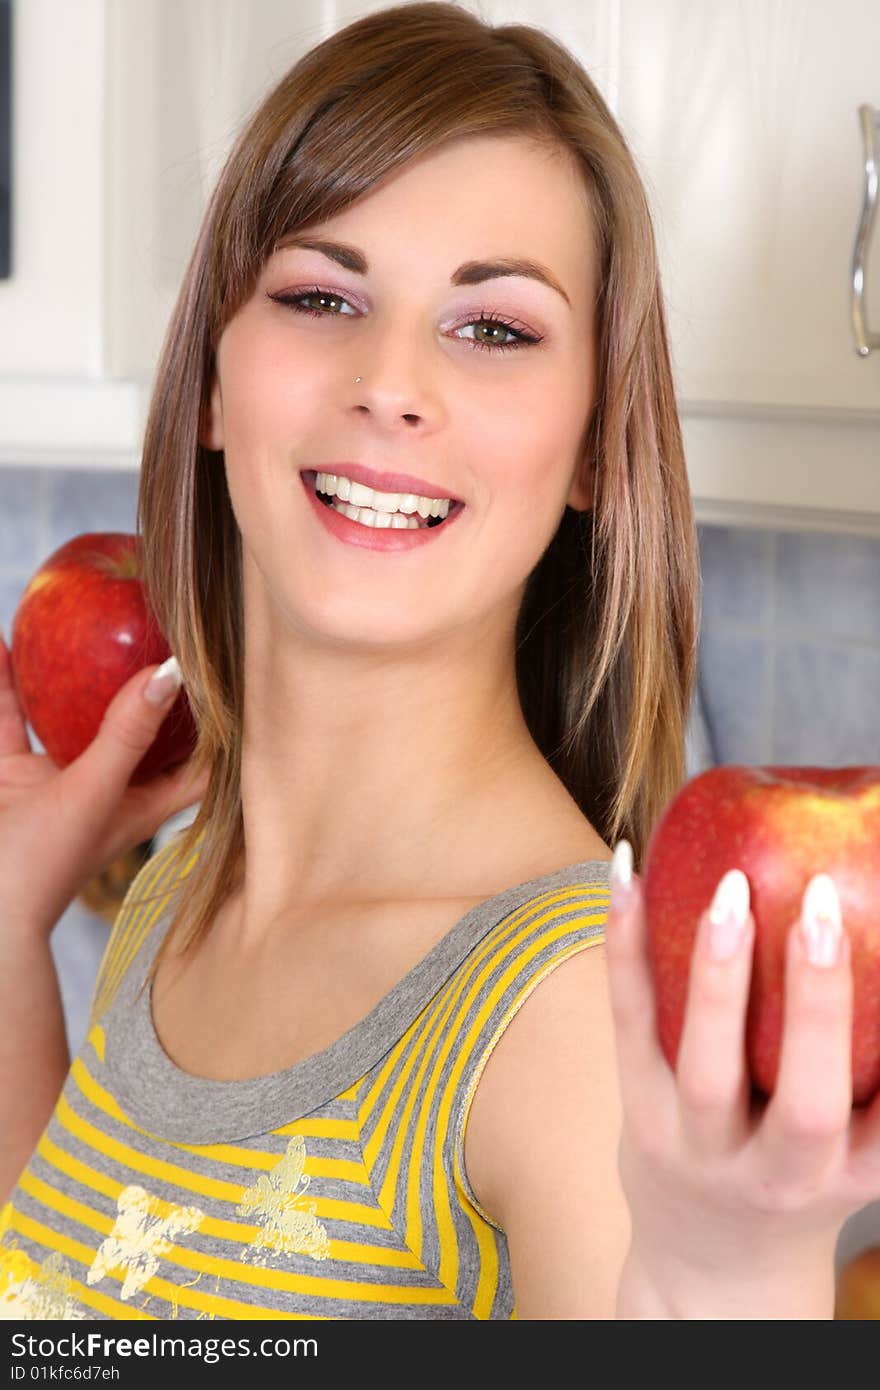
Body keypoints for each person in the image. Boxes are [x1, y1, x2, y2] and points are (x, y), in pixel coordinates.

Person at [0, 1, 875, 1321]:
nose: (391, 379)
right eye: (318, 296)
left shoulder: (570, 1011)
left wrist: (737, 1279)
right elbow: (69, 1310)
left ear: (595, 448)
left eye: (495, 327)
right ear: (214, 391)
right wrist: (10, 923)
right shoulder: (181, 888)